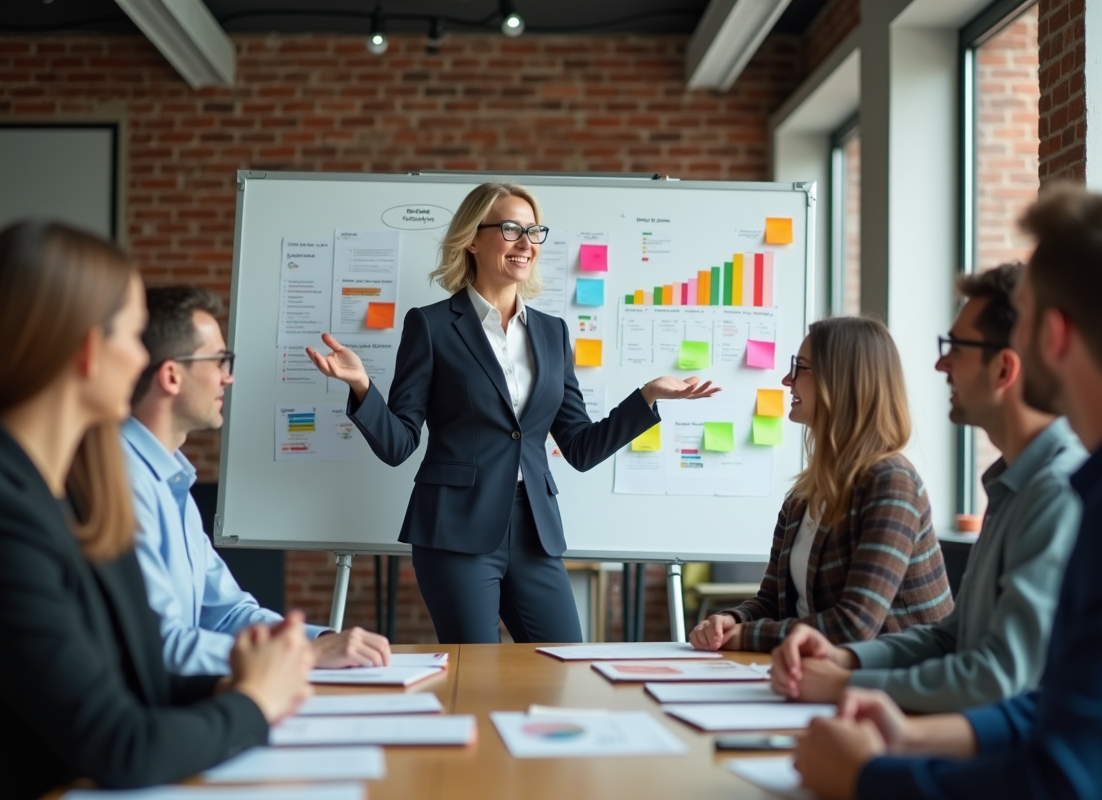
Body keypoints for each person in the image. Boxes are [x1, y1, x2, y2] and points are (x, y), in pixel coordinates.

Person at [795, 186, 1102, 800]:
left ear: (1052, 338)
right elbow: (1063, 705)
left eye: (1025, 317)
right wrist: (915, 736)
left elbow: (1070, 779)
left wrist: (869, 778)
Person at [306, 182, 719, 643]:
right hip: (455, 530)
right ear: (471, 239)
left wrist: (647, 397)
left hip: (534, 530)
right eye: (510, 229)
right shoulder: (432, 325)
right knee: (475, 674)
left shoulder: (552, 333)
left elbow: (580, 447)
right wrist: (362, 386)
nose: (526, 243)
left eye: (534, 231)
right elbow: (399, 443)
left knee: (564, 665)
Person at [0, 221, 313, 800]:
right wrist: (253, 702)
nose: (145, 359)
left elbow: (138, 677)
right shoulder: (11, 510)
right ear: (90, 349)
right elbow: (120, 743)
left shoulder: (74, 491)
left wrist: (264, 676)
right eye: (137, 335)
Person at [769, 264, 1085, 712]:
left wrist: (844, 685)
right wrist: (842, 659)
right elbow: (948, 638)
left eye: (955, 347)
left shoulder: (1056, 493)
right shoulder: (1010, 484)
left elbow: (1000, 678)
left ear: (1004, 369)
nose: (940, 364)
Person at [126, 286, 392, 675]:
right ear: (171, 375)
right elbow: (160, 644)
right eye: (218, 361)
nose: (227, 378)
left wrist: (318, 642)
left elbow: (227, 613)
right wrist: (306, 658)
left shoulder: (171, 478)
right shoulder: (121, 480)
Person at [689, 317, 953, 653]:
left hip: (900, 689)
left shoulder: (891, 482)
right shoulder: (802, 497)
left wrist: (746, 637)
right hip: (823, 677)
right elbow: (773, 601)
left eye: (800, 367)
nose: (787, 380)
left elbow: (854, 625)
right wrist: (733, 621)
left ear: (840, 381)